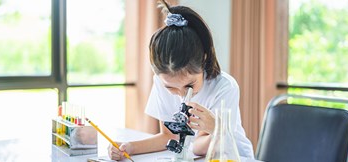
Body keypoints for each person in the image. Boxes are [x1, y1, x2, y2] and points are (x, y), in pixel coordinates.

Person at [108, 0, 254, 160]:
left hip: (234, 156)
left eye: (189, 85)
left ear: (204, 60)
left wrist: (217, 128)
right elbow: (169, 136)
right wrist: (128, 147)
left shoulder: (224, 87)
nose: (181, 94)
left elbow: (200, 147)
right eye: (170, 88)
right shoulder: (160, 82)